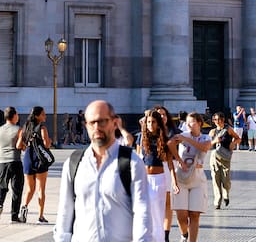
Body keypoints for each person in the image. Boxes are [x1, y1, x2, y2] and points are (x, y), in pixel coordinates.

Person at [53, 99, 152, 242]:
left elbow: (142, 211)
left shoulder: (131, 162)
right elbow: (65, 210)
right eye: (92, 123)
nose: (97, 127)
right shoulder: (74, 163)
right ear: (86, 125)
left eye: (102, 121)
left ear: (114, 122)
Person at [170, 112, 212, 242]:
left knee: (194, 214)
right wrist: (179, 160)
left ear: (199, 123)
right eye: (187, 122)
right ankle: (184, 234)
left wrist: (188, 140)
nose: (188, 125)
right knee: (182, 215)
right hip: (181, 177)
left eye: (192, 122)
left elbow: (204, 148)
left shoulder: (205, 137)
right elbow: (169, 144)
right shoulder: (182, 135)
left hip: (198, 179)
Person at [139, 109, 179, 242]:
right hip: (145, 179)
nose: (150, 124)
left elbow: (170, 164)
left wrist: (174, 182)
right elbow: (139, 159)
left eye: (153, 122)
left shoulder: (164, 139)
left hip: (158, 179)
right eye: (148, 122)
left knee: (157, 215)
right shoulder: (142, 138)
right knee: (144, 213)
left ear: (158, 123)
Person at [20, 106, 55, 223]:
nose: (45, 116)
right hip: (40, 159)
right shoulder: (42, 127)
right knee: (41, 189)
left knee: (29, 189)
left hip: (28, 158)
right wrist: (50, 140)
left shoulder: (25, 128)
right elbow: (47, 144)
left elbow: (19, 145)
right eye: (43, 114)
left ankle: (24, 208)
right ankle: (40, 216)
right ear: (37, 116)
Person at [0, 106, 24, 223]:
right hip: (15, 161)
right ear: (14, 116)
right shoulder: (19, 130)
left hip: (2, 162)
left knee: (2, 186)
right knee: (17, 189)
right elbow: (21, 146)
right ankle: (14, 216)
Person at [208, 111, 238, 209]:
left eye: (219, 120)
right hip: (214, 157)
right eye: (215, 120)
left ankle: (226, 194)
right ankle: (217, 200)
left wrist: (233, 144)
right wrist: (214, 141)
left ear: (223, 119)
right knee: (215, 178)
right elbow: (207, 145)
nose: (217, 121)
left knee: (226, 179)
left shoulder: (228, 129)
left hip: (225, 157)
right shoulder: (212, 132)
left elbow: (238, 138)